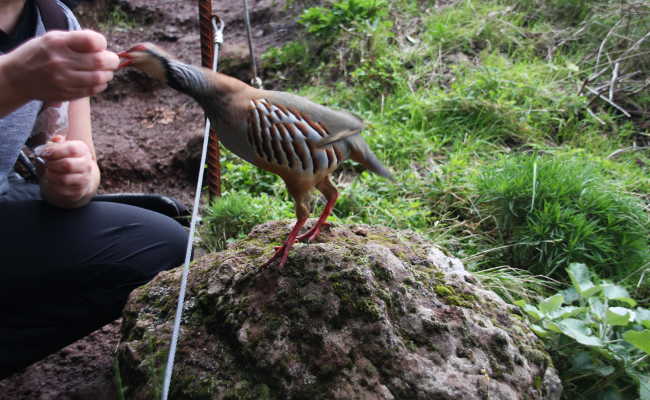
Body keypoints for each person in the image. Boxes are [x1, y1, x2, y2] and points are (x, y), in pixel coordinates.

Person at [0, 0, 188, 378]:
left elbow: (80, 162)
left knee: (163, 246)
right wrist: (14, 80)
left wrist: (73, 180)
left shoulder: (54, 20)